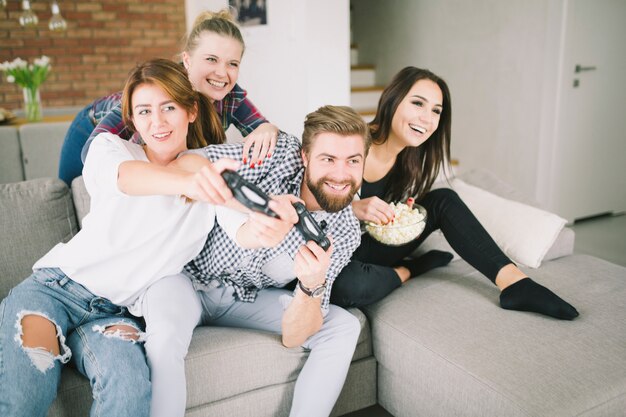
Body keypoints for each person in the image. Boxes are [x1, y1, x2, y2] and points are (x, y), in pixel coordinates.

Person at [0, 58, 239, 417]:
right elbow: (127, 179)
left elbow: (245, 230)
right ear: (133, 119)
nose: (156, 122)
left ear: (191, 111)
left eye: (168, 108)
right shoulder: (110, 150)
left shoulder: (209, 173)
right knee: (27, 393)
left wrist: (277, 218)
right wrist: (191, 183)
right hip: (54, 290)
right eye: (144, 111)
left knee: (128, 394)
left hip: (114, 314)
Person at [330, 66, 579, 321]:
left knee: (443, 200)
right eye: (418, 103)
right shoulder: (347, 143)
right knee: (345, 287)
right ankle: (409, 269)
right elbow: (303, 206)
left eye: (436, 111)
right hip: (332, 254)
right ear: (393, 99)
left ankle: (516, 284)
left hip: (371, 248)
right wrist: (354, 210)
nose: (427, 119)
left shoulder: (412, 161)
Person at [178, 105, 370, 417]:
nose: (341, 174)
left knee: (344, 326)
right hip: (186, 279)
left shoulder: (345, 230)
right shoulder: (278, 154)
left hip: (240, 300)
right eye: (328, 159)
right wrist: (251, 211)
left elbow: (295, 336)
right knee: (165, 338)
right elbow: (187, 162)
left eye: (353, 161)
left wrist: (311, 285)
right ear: (305, 157)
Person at [57, 8, 278, 186]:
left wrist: (267, 128)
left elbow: (260, 128)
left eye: (232, 63)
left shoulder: (230, 98)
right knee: (77, 191)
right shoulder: (159, 91)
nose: (222, 72)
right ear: (187, 60)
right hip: (89, 126)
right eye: (211, 59)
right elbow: (94, 153)